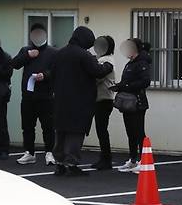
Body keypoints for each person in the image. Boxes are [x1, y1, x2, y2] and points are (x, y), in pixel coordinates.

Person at [49, 26, 113, 176]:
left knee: (61, 131)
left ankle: (59, 163)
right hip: (79, 100)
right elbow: (97, 72)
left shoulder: (60, 53)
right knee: (76, 132)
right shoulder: (83, 56)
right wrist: (108, 66)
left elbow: (52, 74)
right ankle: (71, 163)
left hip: (60, 99)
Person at [11, 23, 58, 166]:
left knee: (48, 126)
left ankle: (49, 153)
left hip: (46, 96)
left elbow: (56, 70)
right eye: (34, 34)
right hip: (28, 97)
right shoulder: (26, 50)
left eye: (39, 33)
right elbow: (15, 64)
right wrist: (27, 55)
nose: (37, 36)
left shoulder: (53, 52)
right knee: (27, 126)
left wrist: (45, 75)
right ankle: (29, 153)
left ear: (45, 34)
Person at [113, 38, 152, 174]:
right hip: (127, 103)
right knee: (130, 132)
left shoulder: (141, 63)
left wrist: (127, 86)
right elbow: (126, 81)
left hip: (137, 102)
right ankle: (133, 159)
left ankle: (143, 161)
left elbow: (145, 81)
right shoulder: (130, 63)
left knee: (139, 131)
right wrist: (119, 86)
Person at [91, 35, 116, 170]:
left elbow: (97, 77)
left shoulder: (105, 60)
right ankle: (105, 158)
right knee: (102, 129)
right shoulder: (107, 59)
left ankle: (106, 159)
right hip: (106, 98)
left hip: (103, 99)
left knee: (101, 130)